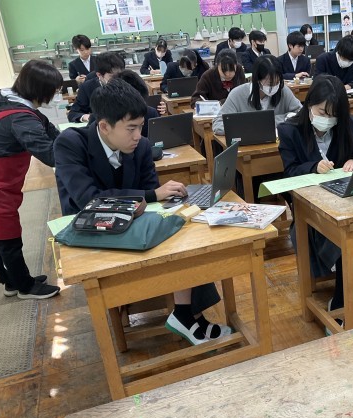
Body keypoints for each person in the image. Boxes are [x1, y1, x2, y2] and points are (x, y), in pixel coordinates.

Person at [54, 79, 228, 344]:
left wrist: (159, 200)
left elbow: (151, 195)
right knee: (172, 241)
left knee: (185, 235)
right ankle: (187, 316)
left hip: (133, 225)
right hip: (93, 235)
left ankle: (186, 314)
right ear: (104, 126)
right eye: (131, 128)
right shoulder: (70, 143)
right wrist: (150, 196)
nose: (138, 135)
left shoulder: (142, 146)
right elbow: (89, 200)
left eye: (140, 127)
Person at [278, 75, 353, 332]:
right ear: (309, 104)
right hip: (310, 211)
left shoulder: (348, 123)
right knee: (347, 234)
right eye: (322, 112)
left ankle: (341, 298)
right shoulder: (290, 130)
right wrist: (312, 167)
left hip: (344, 201)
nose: (328, 119)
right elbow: (289, 172)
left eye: (333, 115)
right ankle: (343, 299)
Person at [0, 60, 63, 300]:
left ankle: (10, 281)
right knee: (6, 233)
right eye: (53, 90)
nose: (54, 95)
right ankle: (25, 287)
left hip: (0, 181)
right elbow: (50, 154)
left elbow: (50, 131)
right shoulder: (21, 118)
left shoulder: (6, 100)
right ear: (40, 89)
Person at [212, 55, 301, 135]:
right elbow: (218, 124)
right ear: (257, 80)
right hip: (247, 146)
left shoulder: (282, 90)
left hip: (278, 144)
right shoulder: (237, 94)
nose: (274, 86)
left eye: (277, 82)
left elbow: (301, 114)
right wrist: (249, 126)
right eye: (270, 83)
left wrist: (271, 121)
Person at [87, 70, 165, 137]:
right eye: (131, 129)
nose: (137, 136)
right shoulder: (99, 116)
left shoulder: (150, 113)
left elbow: (158, 141)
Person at [67, 51, 125, 123]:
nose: (118, 79)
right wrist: (88, 117)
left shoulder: (130, 81)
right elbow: (73, 113)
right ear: (99, 75)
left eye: (120, 75)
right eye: (112, 76)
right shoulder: (87, 87)